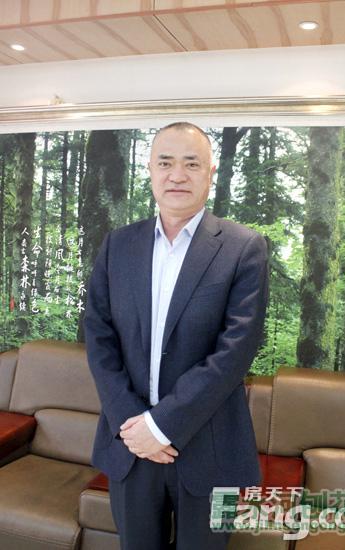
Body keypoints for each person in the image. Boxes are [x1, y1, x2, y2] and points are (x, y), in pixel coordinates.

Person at [83, 122, 269, 550]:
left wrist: (162, 425)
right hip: (130, 444)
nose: (177, 175)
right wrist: (135, 425)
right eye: (165, 163)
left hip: (211, 447)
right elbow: (98, 334)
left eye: (192, 164)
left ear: (211, 172)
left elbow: (236, 350)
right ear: (150, 170)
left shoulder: (244, 247)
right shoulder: (118, 245)